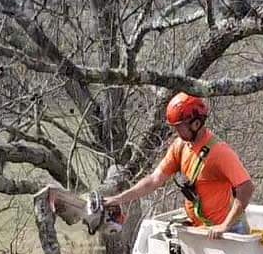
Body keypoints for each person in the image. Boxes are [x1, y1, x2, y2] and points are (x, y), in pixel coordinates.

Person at [106, 92, 255, 239]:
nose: (176, 131)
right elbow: (154, 180)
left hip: (228, 234)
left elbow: (246, 187)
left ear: (196, 124)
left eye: (179, 127)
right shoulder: (181, 146)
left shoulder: (219, 152)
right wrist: (118, 199)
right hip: (203, 230)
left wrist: (225, 226)